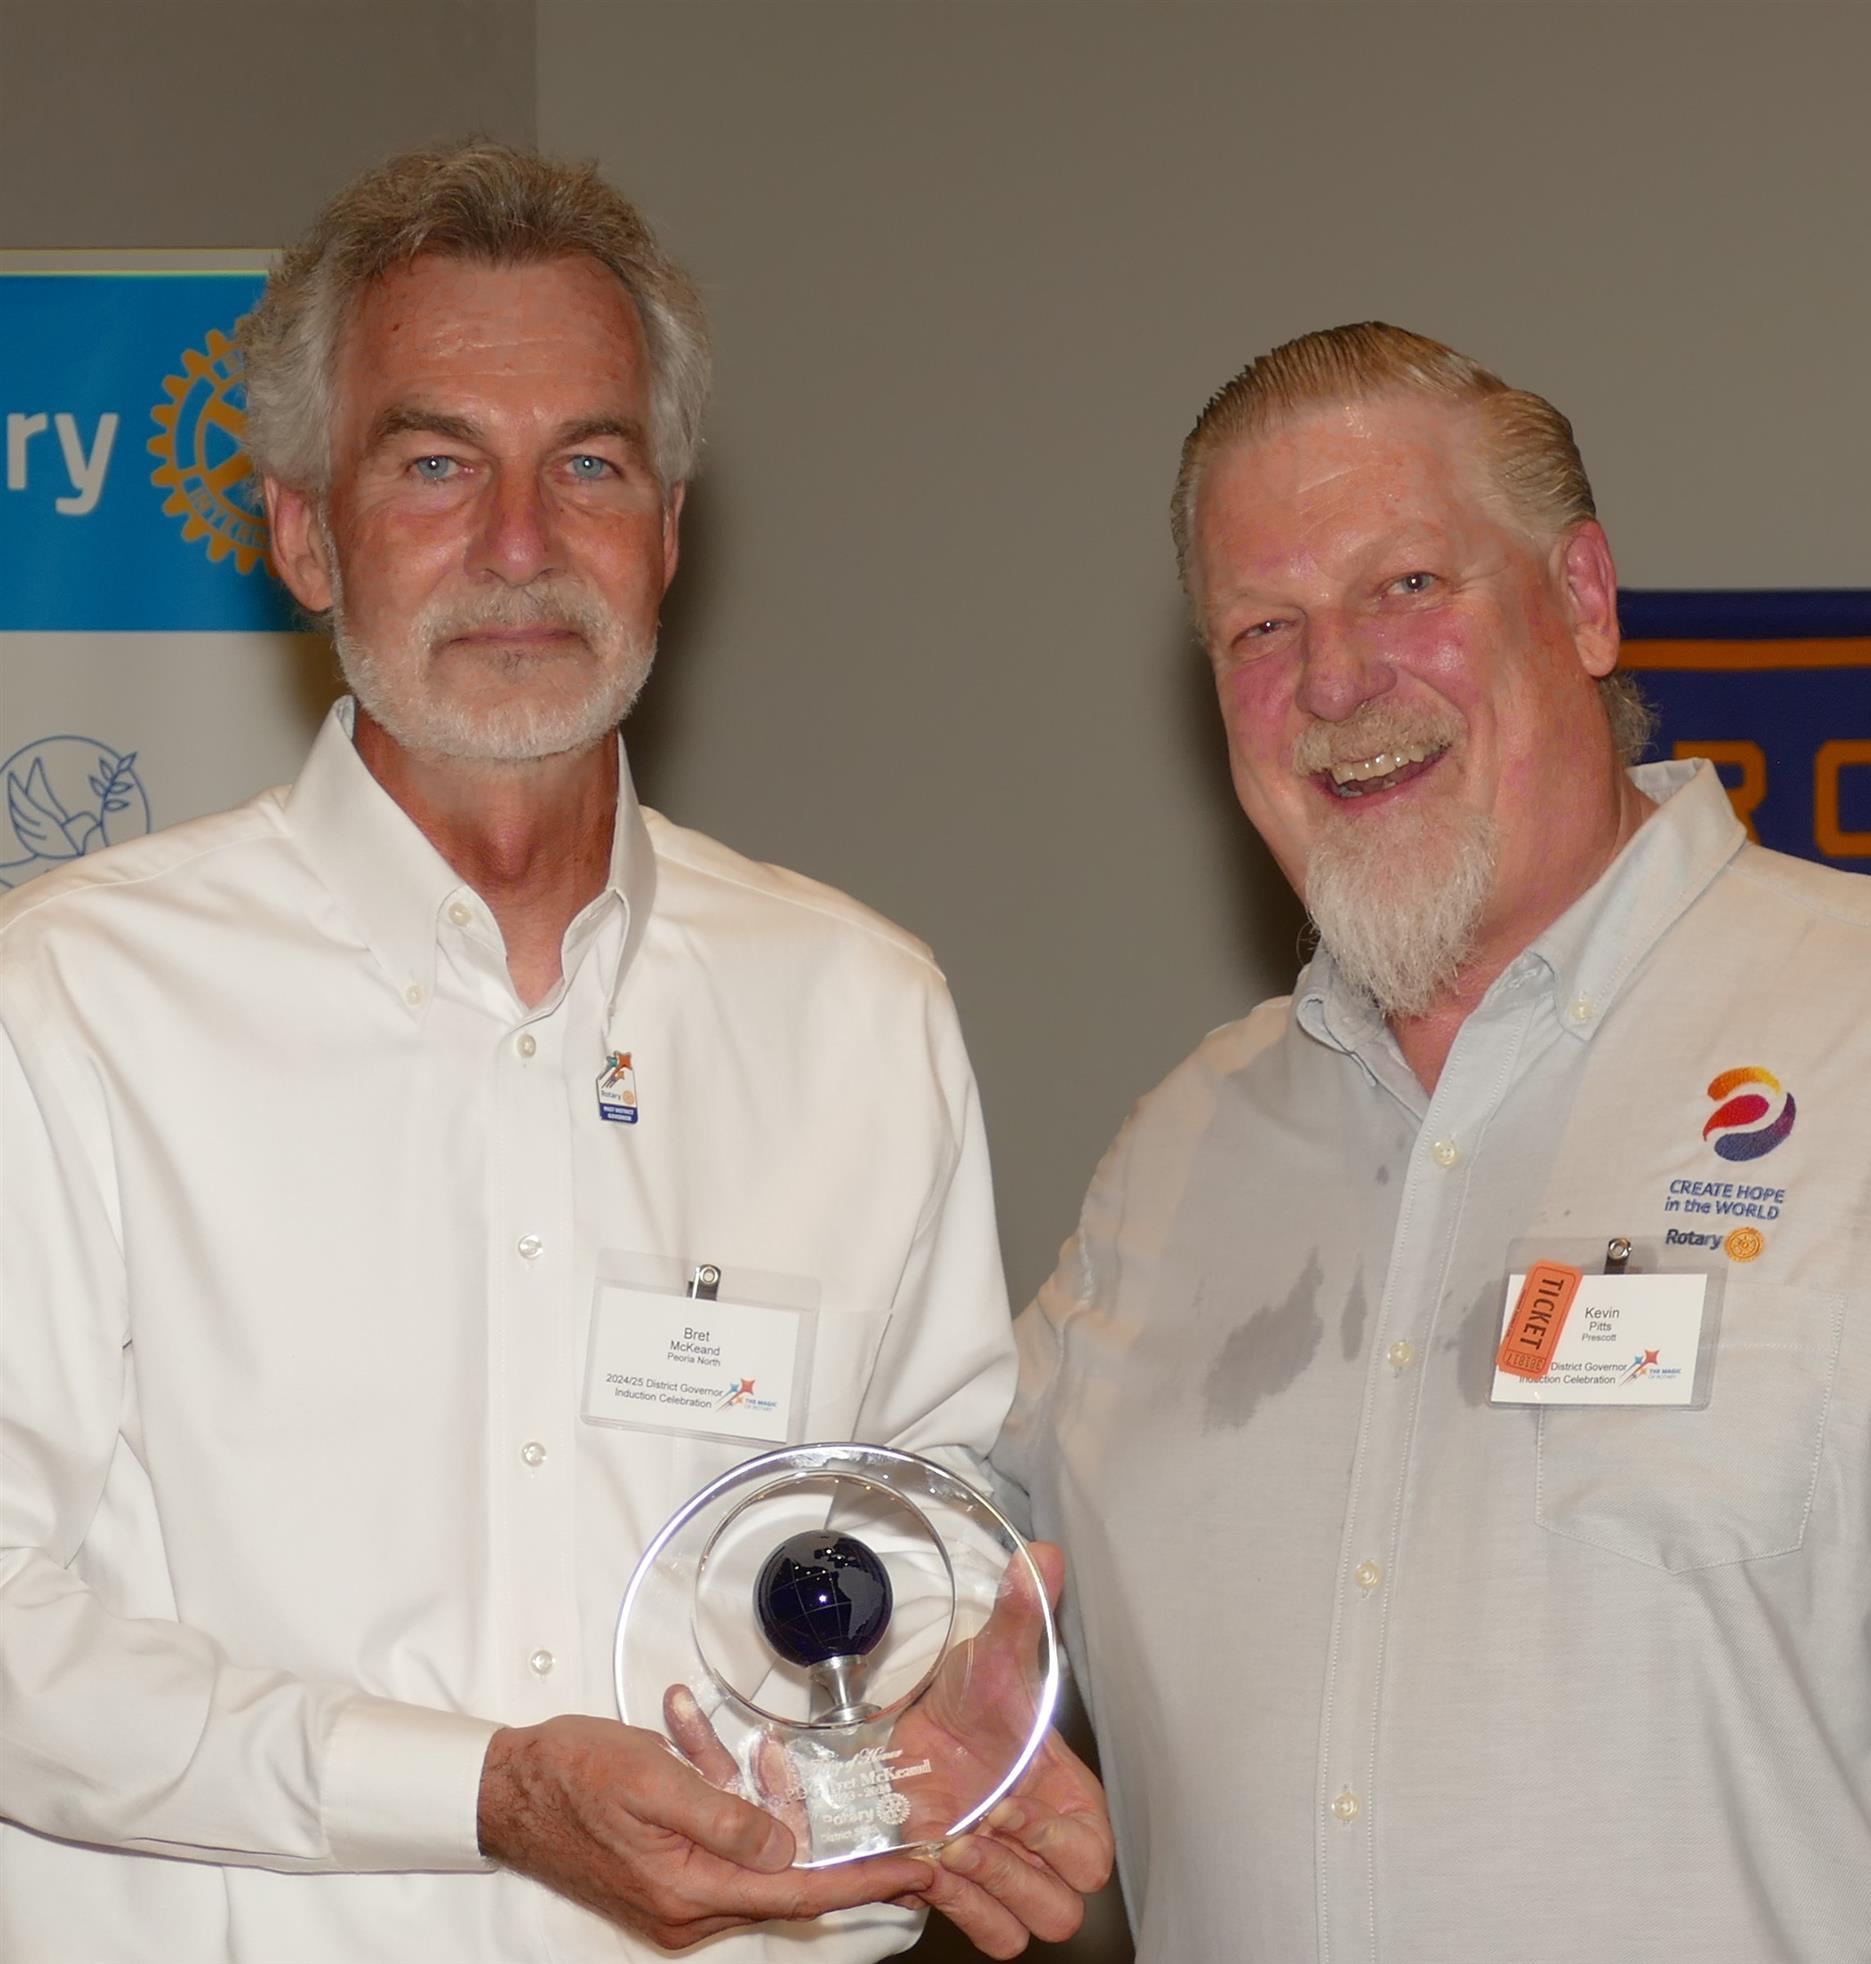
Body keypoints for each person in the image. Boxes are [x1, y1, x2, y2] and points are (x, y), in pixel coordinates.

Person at [0, 141, 1108, 1962]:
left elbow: (922, 1567)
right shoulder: (73, 1003)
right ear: (304, 531)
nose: (520, 544)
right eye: (436, 463)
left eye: (587, 464)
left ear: (666, 533)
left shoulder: (858, 1013)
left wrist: (950, 1745)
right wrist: (483, 1791)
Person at [994, 322, 1871, 1960]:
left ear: (1583, 599)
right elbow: (944, 1565)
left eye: (1404, 586)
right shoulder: (1172, 1159)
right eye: (1262, 627)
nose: (1335, 683)